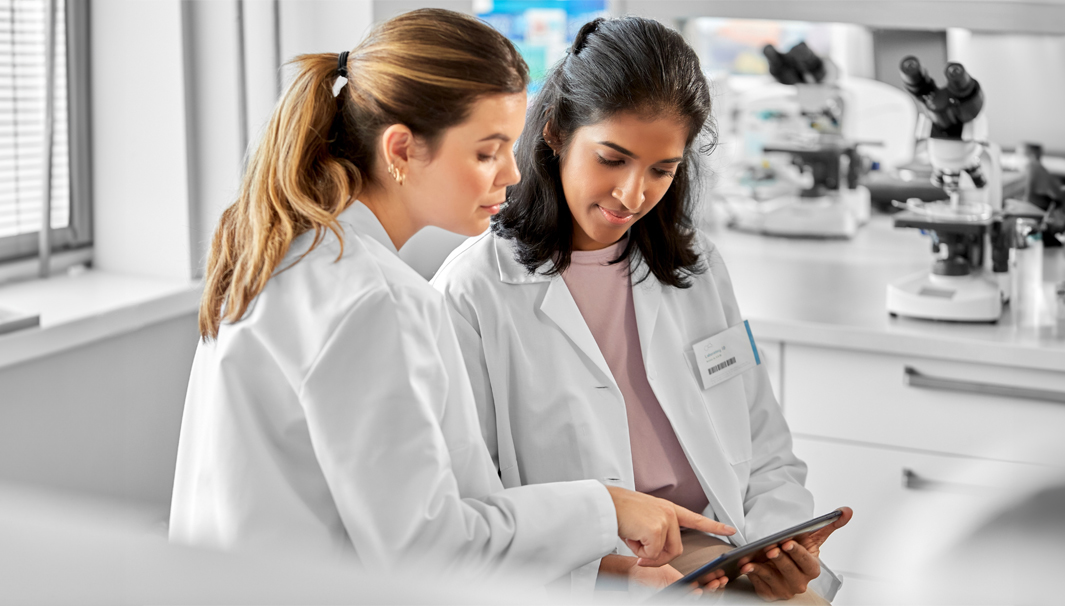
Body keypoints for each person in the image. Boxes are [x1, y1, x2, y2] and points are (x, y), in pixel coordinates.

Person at [168, 8, 733, 584]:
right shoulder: (377, 301)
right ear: (402, 150)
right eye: (487, 151)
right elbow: (430, 551)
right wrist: (603, 507)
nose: (511, 174)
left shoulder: (289, 255)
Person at [431, 16, 850, 600]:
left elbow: (764, 447)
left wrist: (776, 542)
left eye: (662, 170)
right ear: (554, 133)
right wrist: (612, 572)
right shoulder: (473, 291)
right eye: (611, 158)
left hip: (716, 551)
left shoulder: (696, 266)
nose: (633, 195)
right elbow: (471, 510)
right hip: (581, 572)